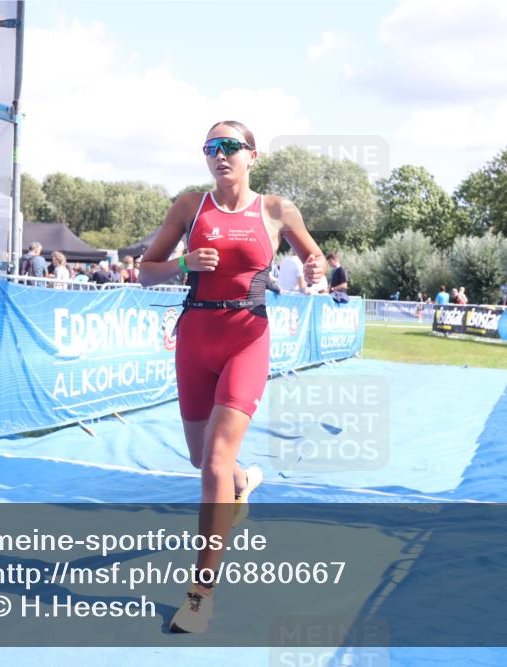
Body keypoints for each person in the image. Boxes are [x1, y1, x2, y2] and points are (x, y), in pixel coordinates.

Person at [138, 120, 324, 633]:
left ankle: (200, 593)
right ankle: (240, 487)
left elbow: (312, 255)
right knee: (204, 459)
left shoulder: (275, 210)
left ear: (252, 155)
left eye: (229, 147)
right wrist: (183, 264)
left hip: (247, 335)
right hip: (195, 336)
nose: (220, 156)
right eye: (210, 148)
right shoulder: (189, 207)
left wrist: (316, 271)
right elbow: (144, 269)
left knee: (214, 459)